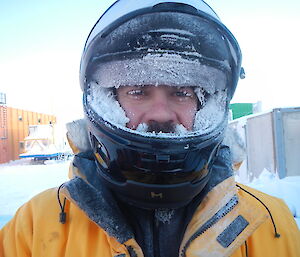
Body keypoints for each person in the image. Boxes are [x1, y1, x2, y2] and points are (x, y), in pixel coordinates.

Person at [1, 0, 299, 256]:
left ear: (207, 106)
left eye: (181, 92)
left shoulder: (271, 224)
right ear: (105, 101)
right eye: (138, 91)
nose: (160, 114)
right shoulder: (33, 229)